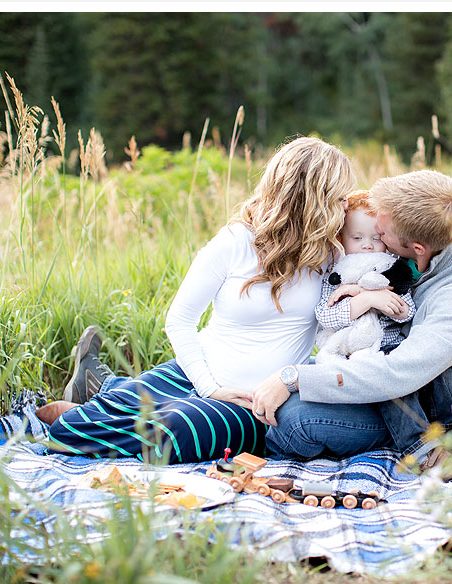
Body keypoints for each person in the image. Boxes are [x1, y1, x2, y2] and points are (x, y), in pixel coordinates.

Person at [35, 136, 356, 463]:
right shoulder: (236, 241)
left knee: (176, 432)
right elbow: (179, 319)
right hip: (194, 374)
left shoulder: (332, 256)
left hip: (251, 404)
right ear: (312, 198)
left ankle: (102, 389)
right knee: (84, 424)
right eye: (339, 197)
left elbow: (374, 260)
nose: (346, 206)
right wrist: (209, 387)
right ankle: (105, 392)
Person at [248, 169, 452, 480]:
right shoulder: (414, 247)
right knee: (279, 388)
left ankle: (427, 452)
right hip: (381, 371)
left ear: (417, 248)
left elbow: (396, 374)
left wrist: (295, 377)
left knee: (294, 420)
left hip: (426, 407)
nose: (373, 240)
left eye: (381, 236)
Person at [313, 190, 416, 361]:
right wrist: (366, 299)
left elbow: (408, 312)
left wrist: (374, 295)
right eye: (357, 237)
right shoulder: (337, 274)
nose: (367, 245)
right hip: (345, 350)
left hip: (387, 351)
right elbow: (325, 317)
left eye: (376, 238)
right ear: (340, 239)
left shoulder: (388, 269)